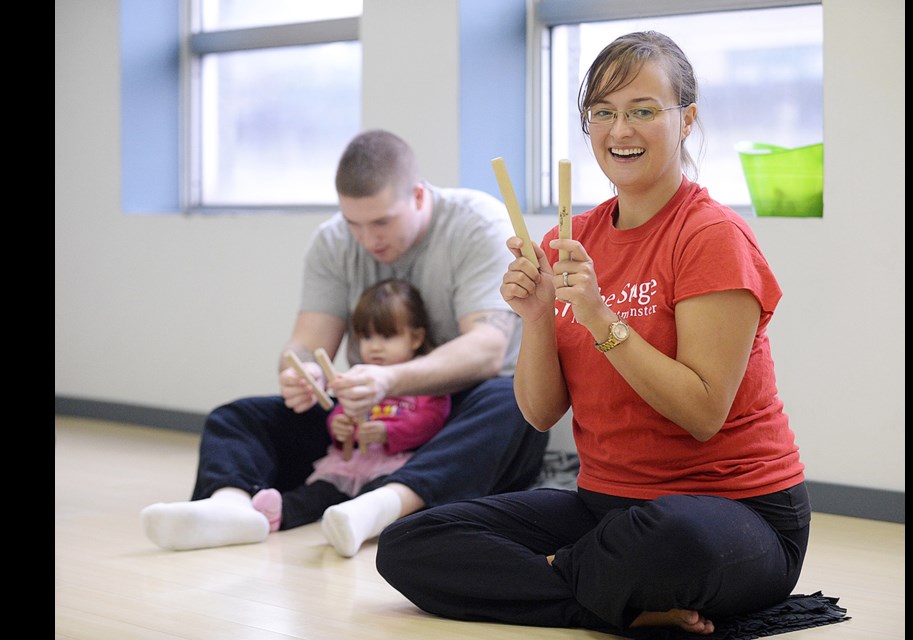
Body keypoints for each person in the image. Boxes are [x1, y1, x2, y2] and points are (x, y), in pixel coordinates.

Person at [376, 31, 810, 637]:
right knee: (411, 542)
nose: (619, 130)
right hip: (607, 508)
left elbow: (702, 412)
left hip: (735, 513)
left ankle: (569, 580)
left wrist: (602, 320)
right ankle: (609, 597)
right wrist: (535, 318)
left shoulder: (712, 236)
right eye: (602, 113)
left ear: (685, 120)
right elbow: (539, 412)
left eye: (642, 111)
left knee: (670, 537)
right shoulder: (567, 241)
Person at [140, 129, 549, 556]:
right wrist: (300, 372)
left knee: (511, 403)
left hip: (457, 416)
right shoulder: (333, 240)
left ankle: (382, 504)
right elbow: (303, 344)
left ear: (419, 196)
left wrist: (388, 380)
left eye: (381, 222)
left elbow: (487, 351)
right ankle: (230, 508)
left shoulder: (477, 224)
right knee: (237, 417)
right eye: (354, 223)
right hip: (364, 419)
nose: (368, 239)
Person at [249, 278, 452, 557]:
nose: (375, 347)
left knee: (381, 495)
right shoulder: (358, 376)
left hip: (394, 464)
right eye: (367, 337)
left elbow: (432, 422)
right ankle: (274, 513)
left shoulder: (424, 382)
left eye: (387, 336)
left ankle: (356, 521)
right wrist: (339, 426)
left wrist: (388, 433)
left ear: (415, 338)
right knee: (321, 490)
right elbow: (341, 409)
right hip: (352, 461)